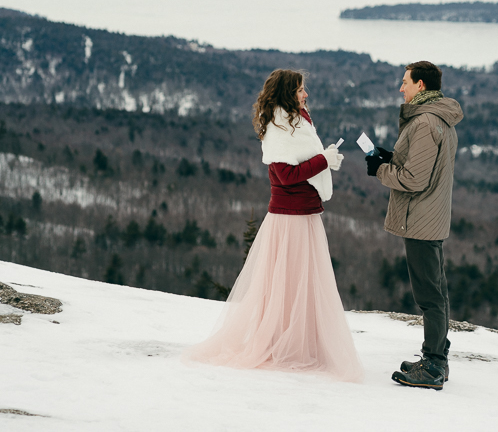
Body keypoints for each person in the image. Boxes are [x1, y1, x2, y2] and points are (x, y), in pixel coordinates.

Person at [184, 69, 364, 383]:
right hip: (290, 218)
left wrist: (323, 158)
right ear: (286, 93)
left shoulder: (296, 120)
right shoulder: (280, 128)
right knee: (289, 284)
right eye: (300, 90)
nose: (305, 94)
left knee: (300, 284)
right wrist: (324, 160)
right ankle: (285, 346)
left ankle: (298, 343)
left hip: (303, 214)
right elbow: (286, 175)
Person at [366, 60, 463, 390]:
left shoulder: (424, 122)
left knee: (430, 295)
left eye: (405, 81)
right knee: (436, 290)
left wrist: (380, 171)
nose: (400, 87)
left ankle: (433, 365)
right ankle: (437, 358)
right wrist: (388, 158)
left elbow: (414, 178)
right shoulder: (440, 119)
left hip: (421, 218)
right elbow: (422, 166)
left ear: (421, 85)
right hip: (431, 216)